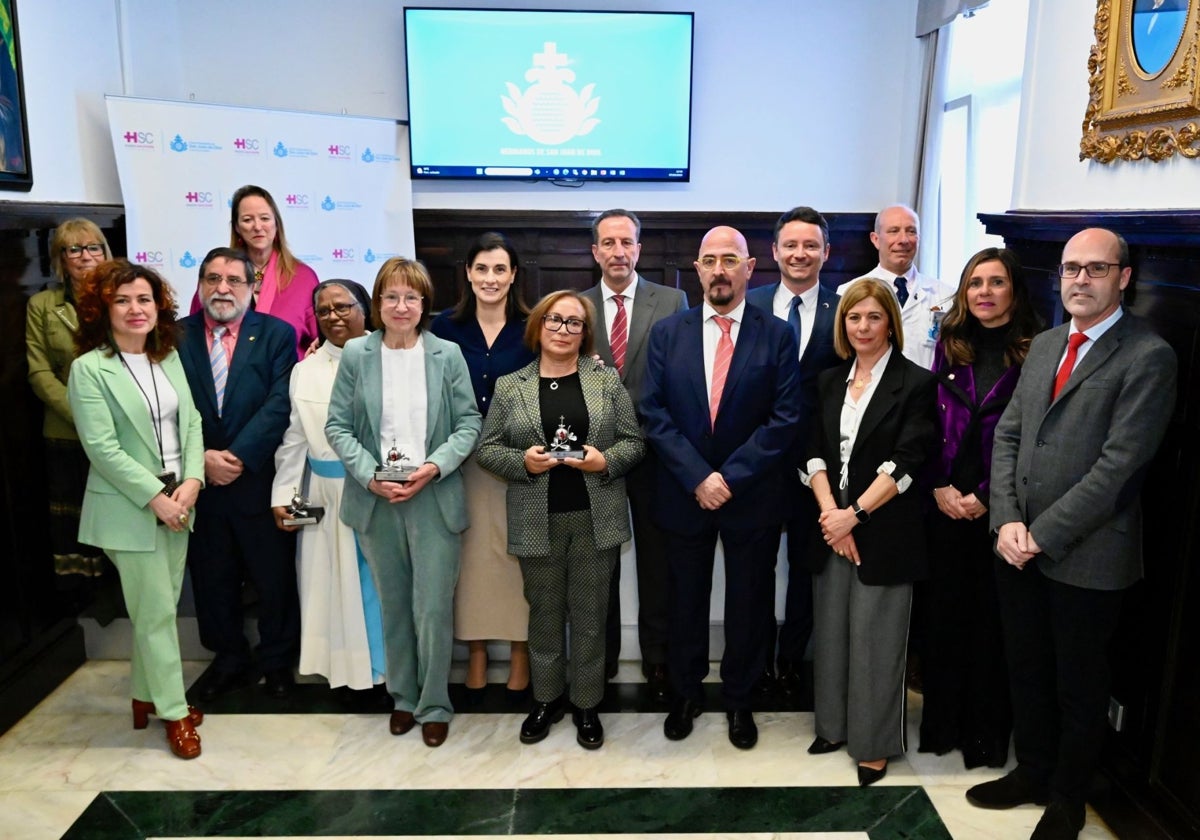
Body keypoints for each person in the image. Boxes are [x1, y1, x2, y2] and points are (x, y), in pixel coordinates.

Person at [967, 229, 1177, 840]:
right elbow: (1008, 434)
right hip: (1015, 547)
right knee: (1025, 668)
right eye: (1070, 269)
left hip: (1088, 556)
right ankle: (1031, 771)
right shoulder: (1046, 345)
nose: (1080, 280)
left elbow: (1120, 468)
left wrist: (1039, 533)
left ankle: (1067, 796)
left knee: (1078, 685)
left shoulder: (1147, 357)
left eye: (1095, 269)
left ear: (1124, 278)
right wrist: (1005, 518)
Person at [640, 226, 802, 750]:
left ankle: (739, 699)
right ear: (698, 269)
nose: (719, 269)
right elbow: (653, 412)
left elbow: (784, 418)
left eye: (729, 259)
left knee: (749, 603)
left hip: (750, 495)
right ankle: (685, 695)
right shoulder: (670, 332)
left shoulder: (776, 334)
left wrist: (728, 478)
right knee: (685, 599)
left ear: (751, 268)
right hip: (684, 493)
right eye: (709, 260)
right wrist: (698, 477)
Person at [476, 290, 644, 750]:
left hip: (596, 517)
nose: (563, 330)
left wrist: (603, 461)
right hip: (536, 518)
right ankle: (546, 700)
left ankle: (587, 704)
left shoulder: (605, 382)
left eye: (573, 323)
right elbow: (487, 448)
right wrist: (523, 463)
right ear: (539, 326)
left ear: (584, 333)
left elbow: (635, 442)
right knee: (545, 617)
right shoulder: (512, 386)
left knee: (590, 617)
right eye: (555, 320)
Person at [325, 257, 481, 748]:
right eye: (391, 296)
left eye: (411, 297)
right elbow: (338, 427)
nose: (401, 306)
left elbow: (468, 424)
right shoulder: (355, 354)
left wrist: (433, 466)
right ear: (377, 304)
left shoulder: (447, 355)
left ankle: (435, 702)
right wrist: (371, 476)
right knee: (393, 605)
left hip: (431, 494)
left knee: (432, 607)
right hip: (377, 499)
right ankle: (403, 698)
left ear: (423, 304)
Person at [800, 277, 937, 787]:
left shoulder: (916, 383)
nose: (862, 326)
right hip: (830, 527)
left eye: (873, 317)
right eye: (854, 317)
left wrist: (853, 515)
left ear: (891, 324)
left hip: (884, 533)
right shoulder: (828, 381)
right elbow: (811, 452)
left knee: (877, 642)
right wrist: (831, 516)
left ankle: (875, 744)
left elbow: (906, 463)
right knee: (833, 633)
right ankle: (833, 728)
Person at [67, 260, 205, 759]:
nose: (135, 308)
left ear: (158, 307)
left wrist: (192, 480)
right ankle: (174, 712)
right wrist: (157, 498)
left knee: (158, 609)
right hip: (131, 511)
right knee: (155, 616)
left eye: (144, 299)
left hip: (180, 503)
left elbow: (190, 421)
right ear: (103, 309)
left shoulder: (166, 357)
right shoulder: (89, 369)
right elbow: (102, 449)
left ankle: (144, 698)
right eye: (122, 300)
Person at [919, 248, 1040, 769]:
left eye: (995, 282)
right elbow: (924, 420)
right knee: (943, 618)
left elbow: (1034, 438)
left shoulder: (1039, 350)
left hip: (1005, 505)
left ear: (1014, 290)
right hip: (944, 503)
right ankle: (941, 727)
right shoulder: (950, 344)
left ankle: (985, 737)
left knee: (992, 625)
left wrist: (989, 495)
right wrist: (939, 486)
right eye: (974, 283)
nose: (984, 292)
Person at [178, 247, 299, 702]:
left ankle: (277, 662)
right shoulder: (173, 337)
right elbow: (171, 408)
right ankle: (228, 659)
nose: (222, 288)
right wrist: (204, 457)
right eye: (212, 279)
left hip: (258, 478)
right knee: (213, 578)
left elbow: (280, 401)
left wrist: (238, 456)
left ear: (253, 287)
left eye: (233, 280)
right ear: (200, 286)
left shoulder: (276, 334)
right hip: (200, 482)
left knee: (273, 578)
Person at [580, 209, 687, 697]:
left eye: (627, 242)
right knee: (598, 563)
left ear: (639, 249)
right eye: (608, 243)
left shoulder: (672, 300)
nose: (618, 251)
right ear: (595, 251)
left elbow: (684, 377)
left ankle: (659, 658)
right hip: (593, 459)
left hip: (655, 454)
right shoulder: (574, 307)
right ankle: (597, 660)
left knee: (658, 563)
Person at [431, 232, 535, 702]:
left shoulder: (534, 326)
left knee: (519, 557)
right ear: (468, 274)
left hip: (519, 461)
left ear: (513, 275)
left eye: (500, 269)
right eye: (481, 269)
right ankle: (474, 651)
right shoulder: (443, 329)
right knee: (469, 557)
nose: (490, 278)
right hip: (460, 460)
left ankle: (519, 651)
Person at [271, 279, 386, 695]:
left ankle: (386, 670)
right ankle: (345, 668)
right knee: (331, 587)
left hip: (380, 493)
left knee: (375, 585)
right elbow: (294, 439)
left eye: (343, 306)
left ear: (365, 308)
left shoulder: (391, 356)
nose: (334, 316)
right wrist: (282, 495)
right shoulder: (306, 369)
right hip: (324, 491)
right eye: (324, 311)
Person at [745, 206, 842, 697]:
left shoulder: (846, 309)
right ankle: (757, 657)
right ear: (774, 252)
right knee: (755, 567)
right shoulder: (750, 304)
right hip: (758, 461)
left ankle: (793, 658)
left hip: (820, 463)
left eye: (810, 245)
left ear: (827, 251)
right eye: (791, 245)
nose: (799, 253)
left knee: (807, 565)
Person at [25, 218, 112, 584]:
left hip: (119, 429)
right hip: (66, 430)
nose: (85, 256)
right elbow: (39, 372)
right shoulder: (42, 305)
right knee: (75, 519)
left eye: (93, 247)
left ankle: (120, 588)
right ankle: (86, 599)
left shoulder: (123, 297)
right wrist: (81, 414)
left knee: (117, 516)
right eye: (74, 249)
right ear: (60, 257)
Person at [189, 185, 319, 359]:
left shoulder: (303, 278)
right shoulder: (217, 276)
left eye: (265, 218)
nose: (257, 227)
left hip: (287, 380)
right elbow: (194, 333)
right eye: (247, 219)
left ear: (276, 223)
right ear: (236, 227)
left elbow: (320, 340)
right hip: (228, 380)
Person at [837, 205, 955, 370]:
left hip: (930, 392)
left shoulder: (947, 294)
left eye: (911, 231)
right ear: (875, 239)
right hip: (871, 390)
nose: (903, 240)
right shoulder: (847, 292)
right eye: (893, 231)